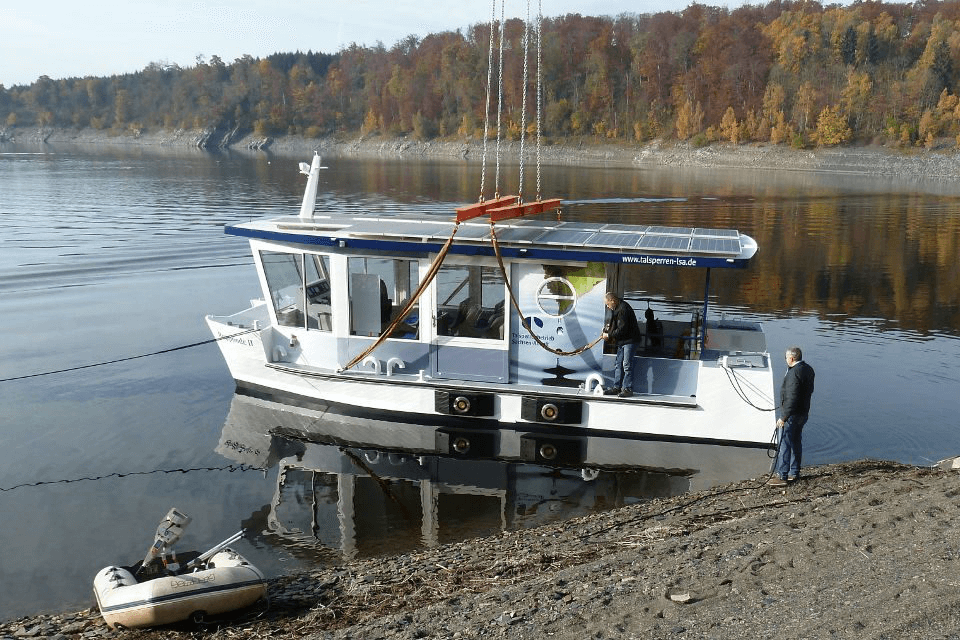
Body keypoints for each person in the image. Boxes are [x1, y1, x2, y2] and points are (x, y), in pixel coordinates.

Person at [768, 346, 815, 486]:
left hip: (792, 414)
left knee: (784, 444)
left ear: (791, 358)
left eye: (786, 357)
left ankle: (782, 476)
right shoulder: (808, 369)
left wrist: (783, 417)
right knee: (796, 442)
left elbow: (792, 397)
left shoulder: (793, 373)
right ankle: (794, 472)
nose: (786, 360)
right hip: (803, 413)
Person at [602, 292, 641, 398]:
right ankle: (617, 387)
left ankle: (628, 389)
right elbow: (615, 325)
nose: (607, 306)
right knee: (618, 364)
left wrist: (609, 335)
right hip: (622, 341)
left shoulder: (623, 309)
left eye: (608, 304)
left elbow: (622, 329)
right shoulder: (616, 308)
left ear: (613, 301)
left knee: (626, 365)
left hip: (630, 340)